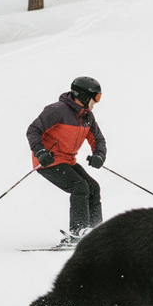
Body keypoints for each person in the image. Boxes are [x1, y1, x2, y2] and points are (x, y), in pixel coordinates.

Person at [27, 77, 107, 245]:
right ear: (84, 96)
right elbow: (33, 130)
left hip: (67, 161)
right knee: (79, 186)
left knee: (93, 187)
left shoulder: (87, 117)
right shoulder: (57, 111)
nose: (97, 102)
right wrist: (41, 152)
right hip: (47, 161)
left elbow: (98, 140)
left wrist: (99, 155)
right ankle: (78, 232)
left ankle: (95, 233)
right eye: (96, 97)